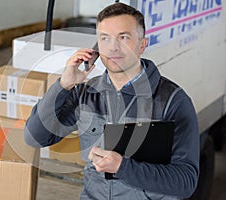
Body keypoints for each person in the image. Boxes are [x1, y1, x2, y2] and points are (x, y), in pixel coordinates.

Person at [25, 2, 199, 199]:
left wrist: (123, 167)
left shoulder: (172, 101)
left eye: (123, 37)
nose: (113, 47)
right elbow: (35, 137)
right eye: (105, 38)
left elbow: (186, 181)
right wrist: (63, 85)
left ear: (142, 45)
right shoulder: (85, 93)